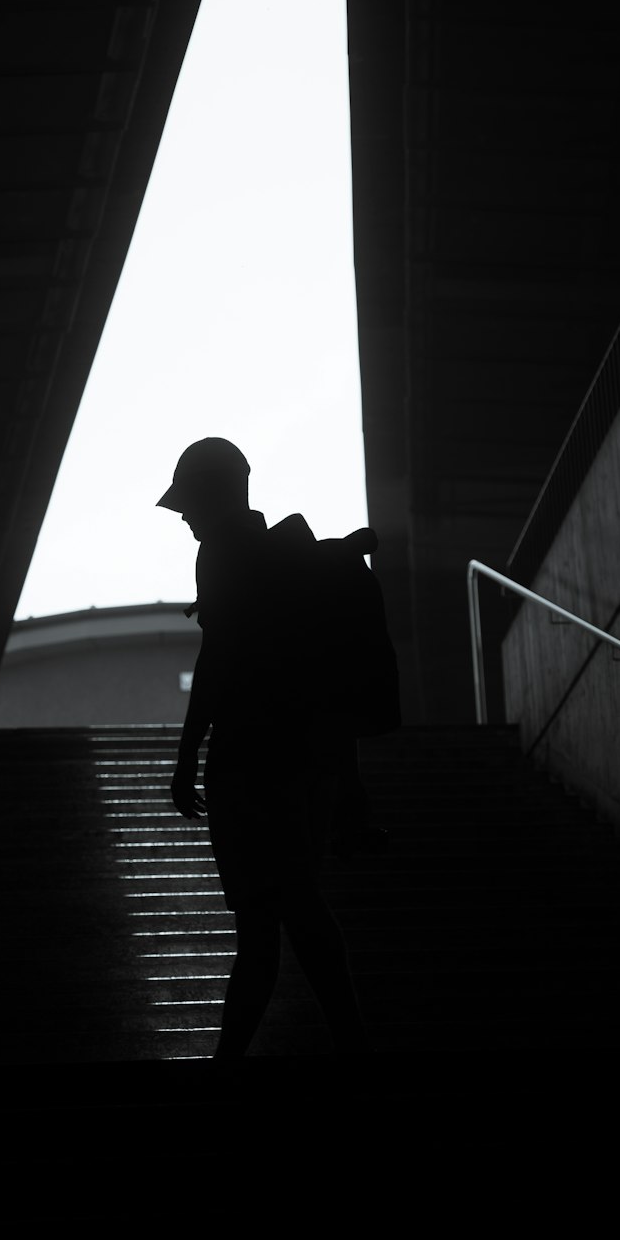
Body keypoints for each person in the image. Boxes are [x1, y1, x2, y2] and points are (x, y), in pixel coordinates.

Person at [157, 437, 374, 1062]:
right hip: (305, 758)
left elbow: (216, 661)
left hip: (252, 763)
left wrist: (186, 755)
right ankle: (344, 1048)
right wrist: (347, 781)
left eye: (190, 503)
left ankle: (237, 1066)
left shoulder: (223, 556)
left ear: (214, 493)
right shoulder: (292, 559)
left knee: (267, 917)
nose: (186, 518)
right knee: (294, 905)